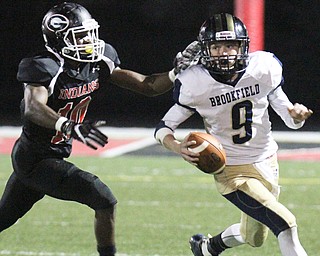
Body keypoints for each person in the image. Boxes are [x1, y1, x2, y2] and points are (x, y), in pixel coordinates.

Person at [0, 2, 195, 256]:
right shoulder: (44, 66)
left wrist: (174, 73)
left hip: (52, 155)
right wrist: (68, 125)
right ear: (58, 38)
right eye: (79, 36)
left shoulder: (99, 60)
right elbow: (32, 108)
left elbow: (146, 85)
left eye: (89, 33)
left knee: (5, 217)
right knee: (103, 199)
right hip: (34, 159)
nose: (89, 40)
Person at [154, 13, 313, 256]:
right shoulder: (195, 83)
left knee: (254, 237)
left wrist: (296, 115)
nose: (224, 52)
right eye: (216, 46)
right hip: (232, 171)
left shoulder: (262, 68)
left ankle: (207, 249)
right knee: (286, 224)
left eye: (230, 45)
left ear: (243, 46)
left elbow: (290, 120)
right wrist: (177, 147)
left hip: (267, 161)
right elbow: (163, 128)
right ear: (205, 50)